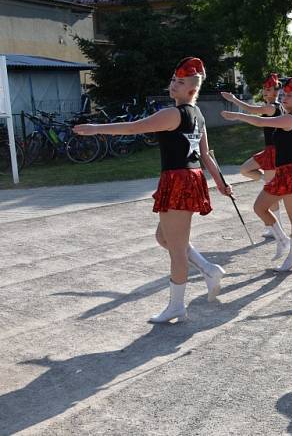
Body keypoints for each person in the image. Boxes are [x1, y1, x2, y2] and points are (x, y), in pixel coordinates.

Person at [73, 57, 232, 323]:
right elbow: (205, 155)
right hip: (187, 178)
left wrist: (95, 129)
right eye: (172, 80)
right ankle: (208, 269)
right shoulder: (199, 115)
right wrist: (220, 182)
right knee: (165, 238)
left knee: (176, 250)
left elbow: (135, 127)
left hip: (179, 179)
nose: (173, 85)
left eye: (179, 83)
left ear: (191, 90)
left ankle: (177, 307)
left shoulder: (174, 114)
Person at [221, 77, 292, 273]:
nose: (284, 98)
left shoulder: (290, 118)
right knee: (260, 207)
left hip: (291, 174)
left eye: (288, 96)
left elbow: (259, 120)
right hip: (283, 172)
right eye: (283, 95)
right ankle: (282, 240)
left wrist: (238, 116)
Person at [221, 73, 284, 238]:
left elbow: (251, 110)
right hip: (269, 150)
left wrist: (234, 99)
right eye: (264, 88)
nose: (265, 91)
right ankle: (274, 225)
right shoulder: (274, 106)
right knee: (245, 169)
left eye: (268, 89)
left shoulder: (272, 107)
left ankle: (275, 227)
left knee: (271, 195)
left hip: (274, 152)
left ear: (276, 91)